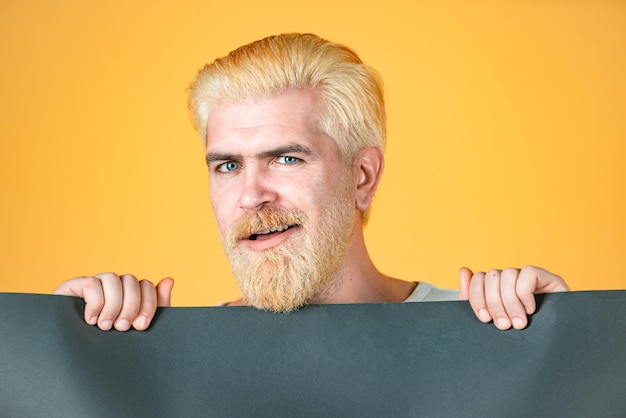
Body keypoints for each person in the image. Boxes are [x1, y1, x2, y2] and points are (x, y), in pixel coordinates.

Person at [54, 33, 568, 332]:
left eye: (286, 159)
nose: (252, 194)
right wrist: (69, 350)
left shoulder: (475, 334)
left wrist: (557, 338)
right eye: (227, 166)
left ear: (363, 176)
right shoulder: (167, 346)